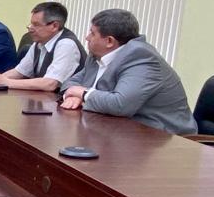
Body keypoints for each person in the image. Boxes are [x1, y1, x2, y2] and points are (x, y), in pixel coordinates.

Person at [59, 9, 196, 135]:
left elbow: (120, 104)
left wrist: (83, 94)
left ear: (109, 41)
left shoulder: (141, 58)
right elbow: (70, 83)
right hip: (118, 129)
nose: (87, 37)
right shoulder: (97, 55)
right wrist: (74, 96)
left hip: (163, 137)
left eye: (92, 33)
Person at [0, 2, 85, 91]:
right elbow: (19, 72)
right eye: (31, 24)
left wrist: (6, 82)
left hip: (66, 105)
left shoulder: (66, 44)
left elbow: (50, 84)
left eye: (36, 24)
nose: (30, 29)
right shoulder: (39, 42)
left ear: (54, 26)